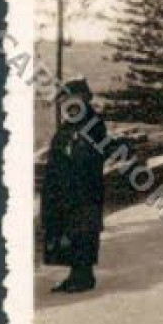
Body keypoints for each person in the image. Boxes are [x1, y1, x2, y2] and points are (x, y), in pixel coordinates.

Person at [41, 78, 108, 294]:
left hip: (84, 187)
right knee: (70, 230)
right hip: (67, 187)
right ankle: (76, 275)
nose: (68, 104)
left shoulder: (93, 123)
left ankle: (84, 277)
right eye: (66, 100)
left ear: (84, 100)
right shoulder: (70, 125)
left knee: (83, 230)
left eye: (72, 99)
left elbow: (89, 154)